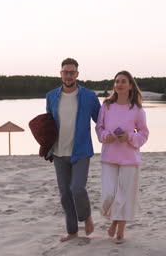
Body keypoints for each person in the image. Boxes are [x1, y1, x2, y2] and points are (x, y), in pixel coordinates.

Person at [45, 58, 101, 242]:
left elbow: (101, 120)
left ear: (77, 74)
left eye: (72, 72)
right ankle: (72, 231)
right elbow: (48, 124)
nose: (68, 75)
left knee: (77, 188)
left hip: (81, 151)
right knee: (65, 194)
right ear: (61, 74)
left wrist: (126, 127)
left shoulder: (89, 96)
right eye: (65, 72)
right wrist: (46, 146)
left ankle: (86, 217)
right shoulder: (51, 95)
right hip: (59, 152)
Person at [95, 70, 149, 244]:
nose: (119, 84)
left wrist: (130, 137)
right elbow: (99, 128)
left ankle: (120, 230)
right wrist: (105, 136)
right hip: (109, 155)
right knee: (109, 194)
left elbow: (144, 133)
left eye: (123, 81)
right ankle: (114, 219)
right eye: (117, 81)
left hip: (129, 157)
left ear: (130, 85)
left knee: (124, 195)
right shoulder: (107, 106)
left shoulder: (137, 110)